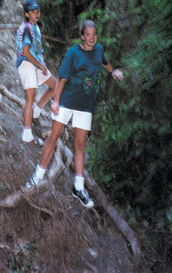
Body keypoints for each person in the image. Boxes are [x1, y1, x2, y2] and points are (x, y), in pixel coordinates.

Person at [26, 19, 124, 208]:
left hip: (86, 106)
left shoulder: (99, 50)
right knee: (53, 138)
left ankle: (78, 188)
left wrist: (113, 72)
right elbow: (62, 78)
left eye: (94, 35)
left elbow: (105, 61)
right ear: (81, 36)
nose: (91, 38)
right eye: (88, 35)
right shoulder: (73, 53)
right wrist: (55, 101)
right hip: (67, 101)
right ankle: (37, 177)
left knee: (80, 145)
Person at [16, 0, 57, 146]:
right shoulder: (26, 28)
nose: (36, 14)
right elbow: (26, 52)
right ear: (26, 14)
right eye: (33, 12)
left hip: (36, 63)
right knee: (30, 96)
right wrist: (40, 65)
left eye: (37, 11)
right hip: (27, 64)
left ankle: (37, 110)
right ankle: (27, 134)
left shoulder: (35, 27)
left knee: (55, 86)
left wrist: (40, 65)